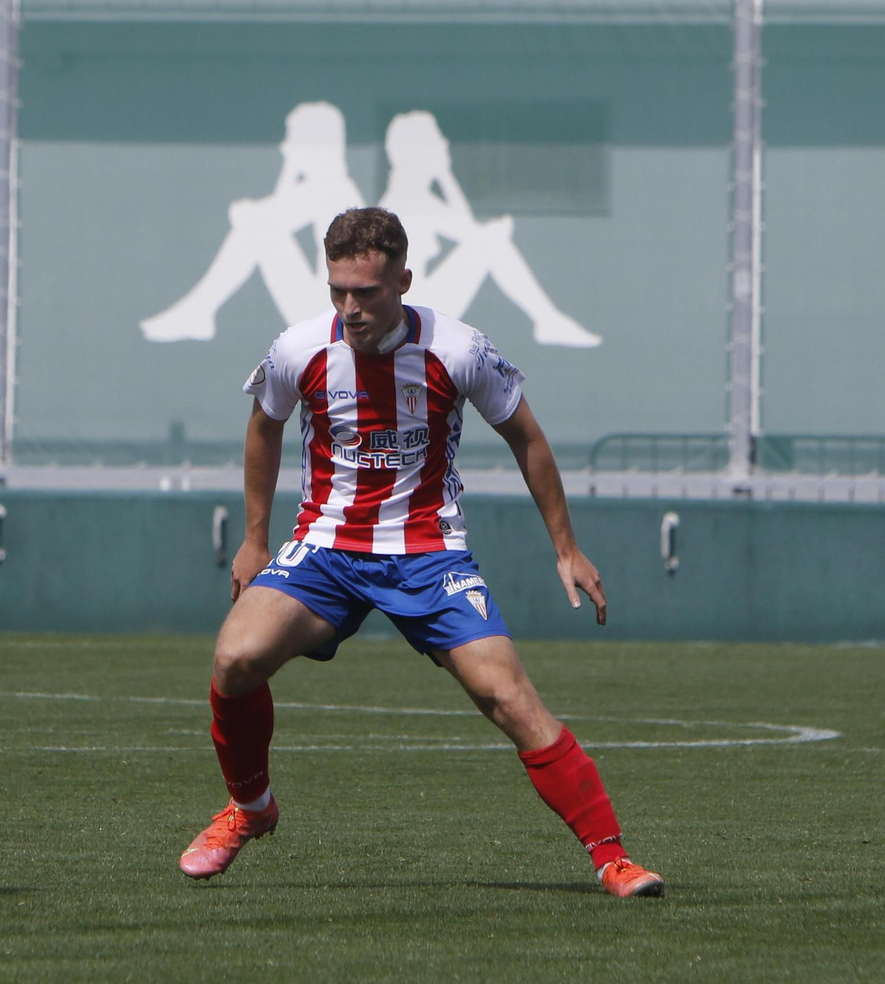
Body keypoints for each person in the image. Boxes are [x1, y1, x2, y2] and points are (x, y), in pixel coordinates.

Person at [176, 206, 663, 897]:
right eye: (338, 290)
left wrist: (567, 549)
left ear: (403, 280)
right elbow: (265, 428)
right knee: (235, 658)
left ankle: (613, 858)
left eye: (366, 292)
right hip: (326, 549)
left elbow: (527, 438)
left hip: (428, 554)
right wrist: (256, 540)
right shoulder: (299, 349)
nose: (351, 308)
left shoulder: (457, 349)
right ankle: (250, 811)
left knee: (509, 697)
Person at [141, 102, 365, 342]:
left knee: (256, 228)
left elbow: (259, 216)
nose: (285, 148)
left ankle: (199, 310)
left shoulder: (331, 188)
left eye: (292, 140)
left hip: (331, 313)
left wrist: (290, 169)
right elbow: (273, 211)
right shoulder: (328, 185)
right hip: (326, 308)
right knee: (259, 227)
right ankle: (199, 310)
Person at [378, 111, 601, 348]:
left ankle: (548, 320)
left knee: (490, 239)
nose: (444, 144)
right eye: (436, 140)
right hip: (414, 306)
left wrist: (444, 175)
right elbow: (469, 230)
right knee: (491, 240)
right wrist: (445, 175)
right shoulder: (408, 198)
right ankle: (548, 320)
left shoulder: (415, 193)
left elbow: (464, 222)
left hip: (418, 304)